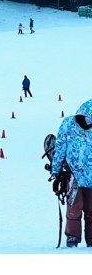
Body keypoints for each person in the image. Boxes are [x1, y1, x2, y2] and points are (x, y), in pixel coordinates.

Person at [49, 99, 92, 247]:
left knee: (91, 209)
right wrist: (56, 171)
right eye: (87, 118)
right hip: (73, 175)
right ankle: (72, 238)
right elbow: (60, 148)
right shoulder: (68, 125)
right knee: (74, 207)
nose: (89, 122)